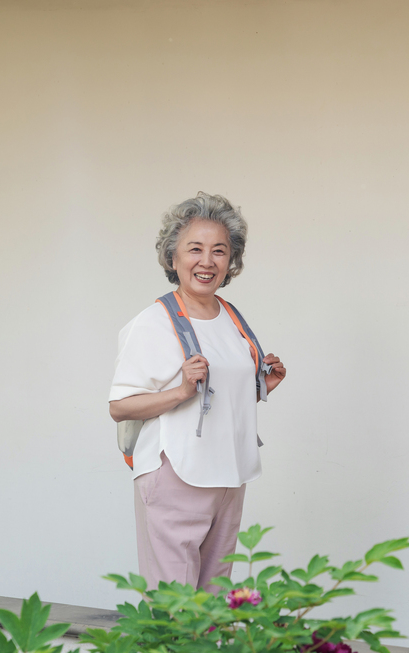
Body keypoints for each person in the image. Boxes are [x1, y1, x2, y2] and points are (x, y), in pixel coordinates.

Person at [109, 192, 286, 591]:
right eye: (195, 249)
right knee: (175, 606)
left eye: (219, 251)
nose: (207, 262)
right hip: (177, 474)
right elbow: (120, 407)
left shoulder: (232, 318)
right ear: (173, 258)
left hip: (229, 473)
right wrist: (181, 390)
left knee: (214, 603)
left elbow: (218, 394)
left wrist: (259, 388)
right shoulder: (153, 323)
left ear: (231, 261)